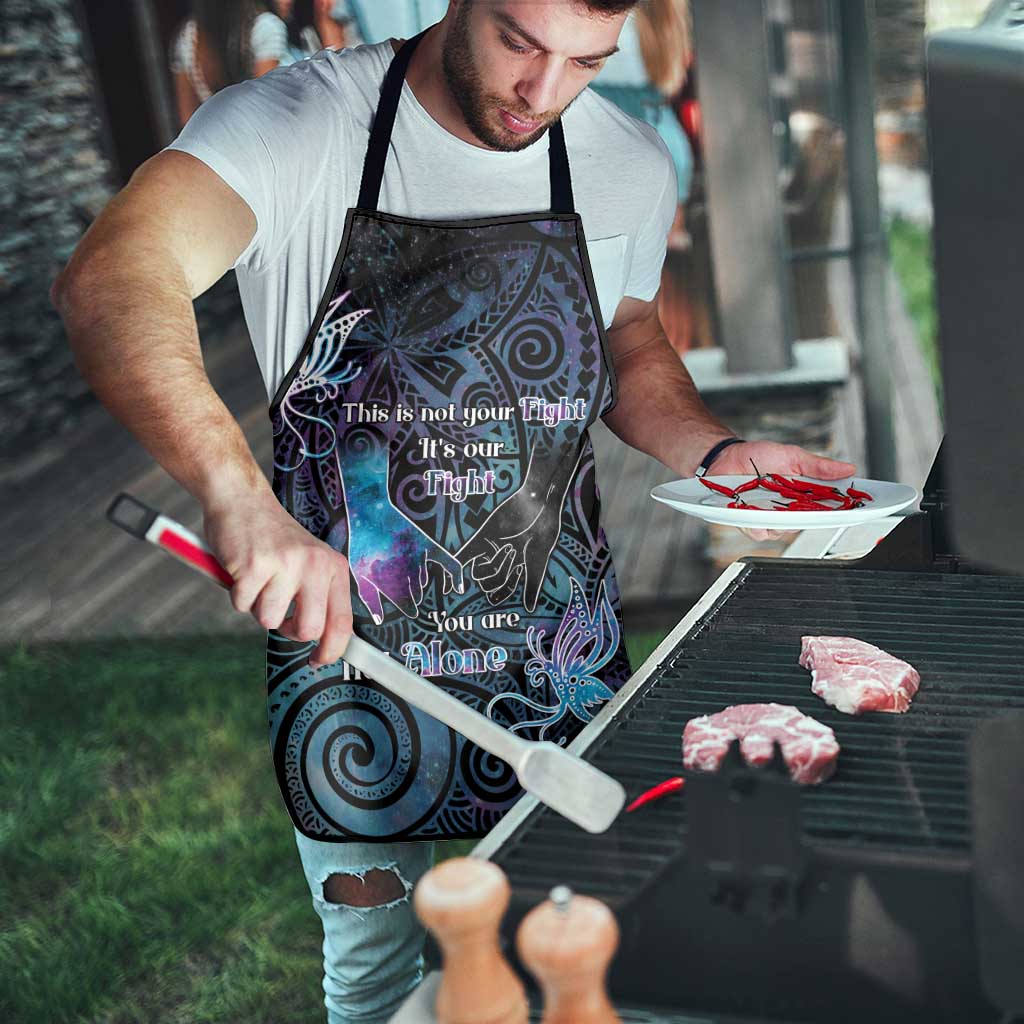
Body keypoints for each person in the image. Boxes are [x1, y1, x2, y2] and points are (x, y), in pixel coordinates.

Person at [52, 2, 856, 1020]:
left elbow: (630, 338)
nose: (543, 93)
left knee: (589, 951)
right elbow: (113, 275)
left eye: (585, 62)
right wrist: (236, 497)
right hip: (356, 668)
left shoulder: (626, 160)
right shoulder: (296, 124)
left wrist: (717, 449)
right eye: (521, 42)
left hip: (556, 652)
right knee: (380, 979)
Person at [169, 0, 289, 127]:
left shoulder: (188, 37)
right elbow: (266, 107)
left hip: (215, 140)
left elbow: (187, 120)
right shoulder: (266, 27)